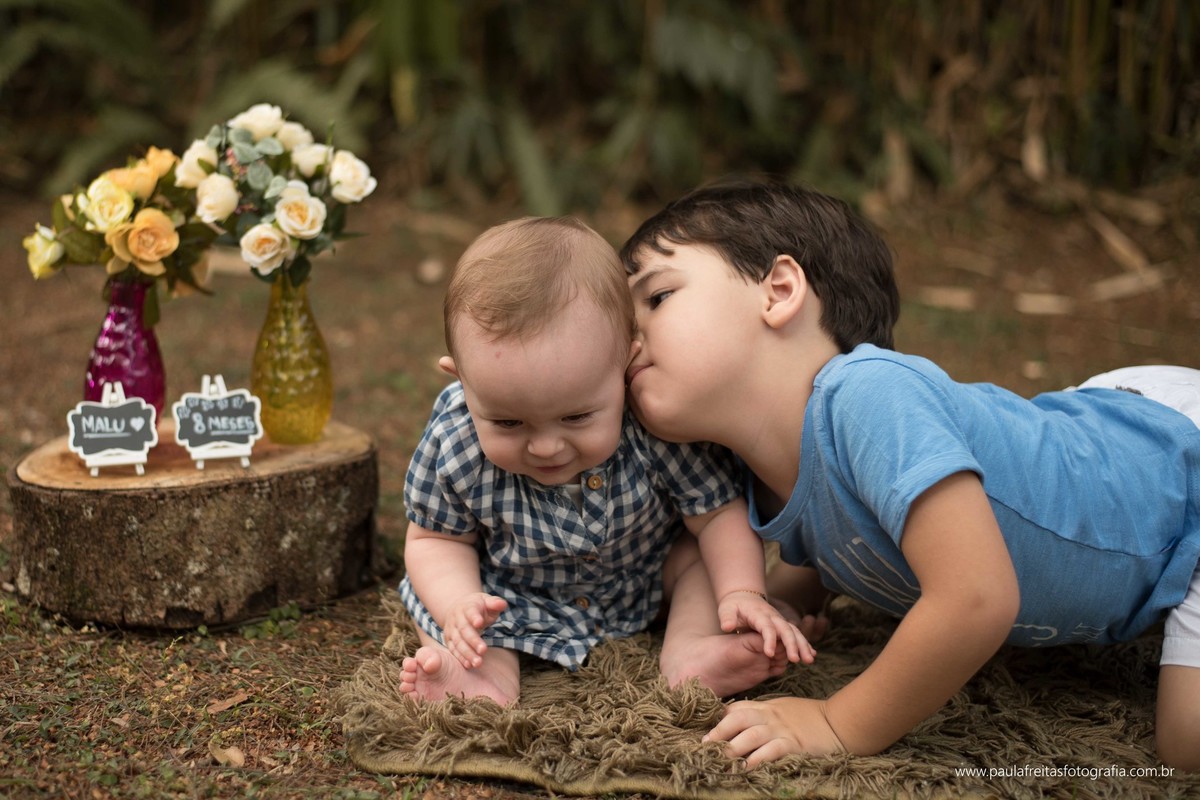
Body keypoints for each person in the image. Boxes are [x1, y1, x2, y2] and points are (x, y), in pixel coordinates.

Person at [619, 180, 1200, 771]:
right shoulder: (752, 468)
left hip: (1174, 469)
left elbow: (976, 596)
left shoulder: (868, 394)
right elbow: (835, 531)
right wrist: (781, 611)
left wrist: (835, 722)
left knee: (1185, 745)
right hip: (1109, 432)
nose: (627, 340)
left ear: (781, 290)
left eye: (657, 297)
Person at [397, 215, 815, 707]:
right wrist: (458, 604)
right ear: (462, 381)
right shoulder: (455, 440)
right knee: (450, 611)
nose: (546, 447)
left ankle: (690, 650)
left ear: (624, 367)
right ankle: (481, 680)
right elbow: (433, 539)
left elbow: (717, 513)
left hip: (643, 582)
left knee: (699, 562)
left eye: (576, 417)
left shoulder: (656, 430)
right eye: (509, 423)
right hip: (510, 594)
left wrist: (743, 591)